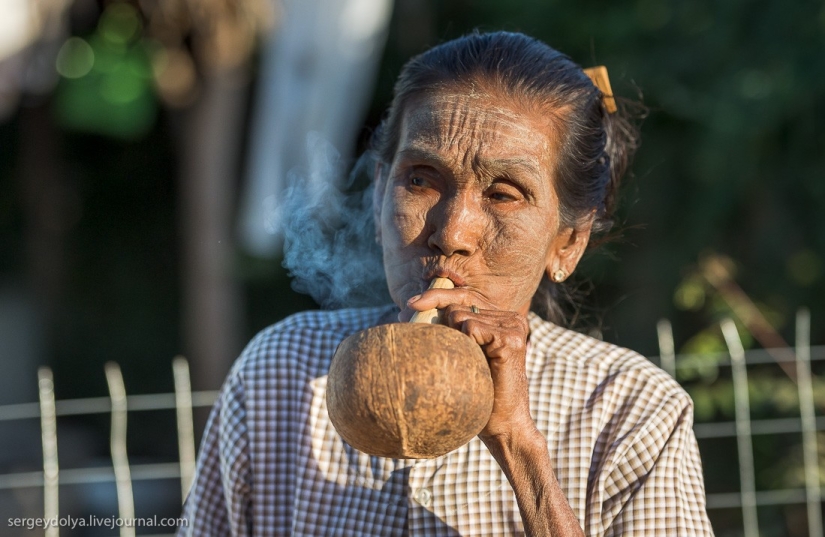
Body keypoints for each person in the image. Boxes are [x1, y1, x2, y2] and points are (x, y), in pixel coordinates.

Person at [179, 31, 713, 536]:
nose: (451, 233)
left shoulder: (629, 411)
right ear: (378, 192)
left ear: (566, 244)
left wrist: (519, 449)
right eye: (420, 179)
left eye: (504, 194)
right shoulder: (283, 373)